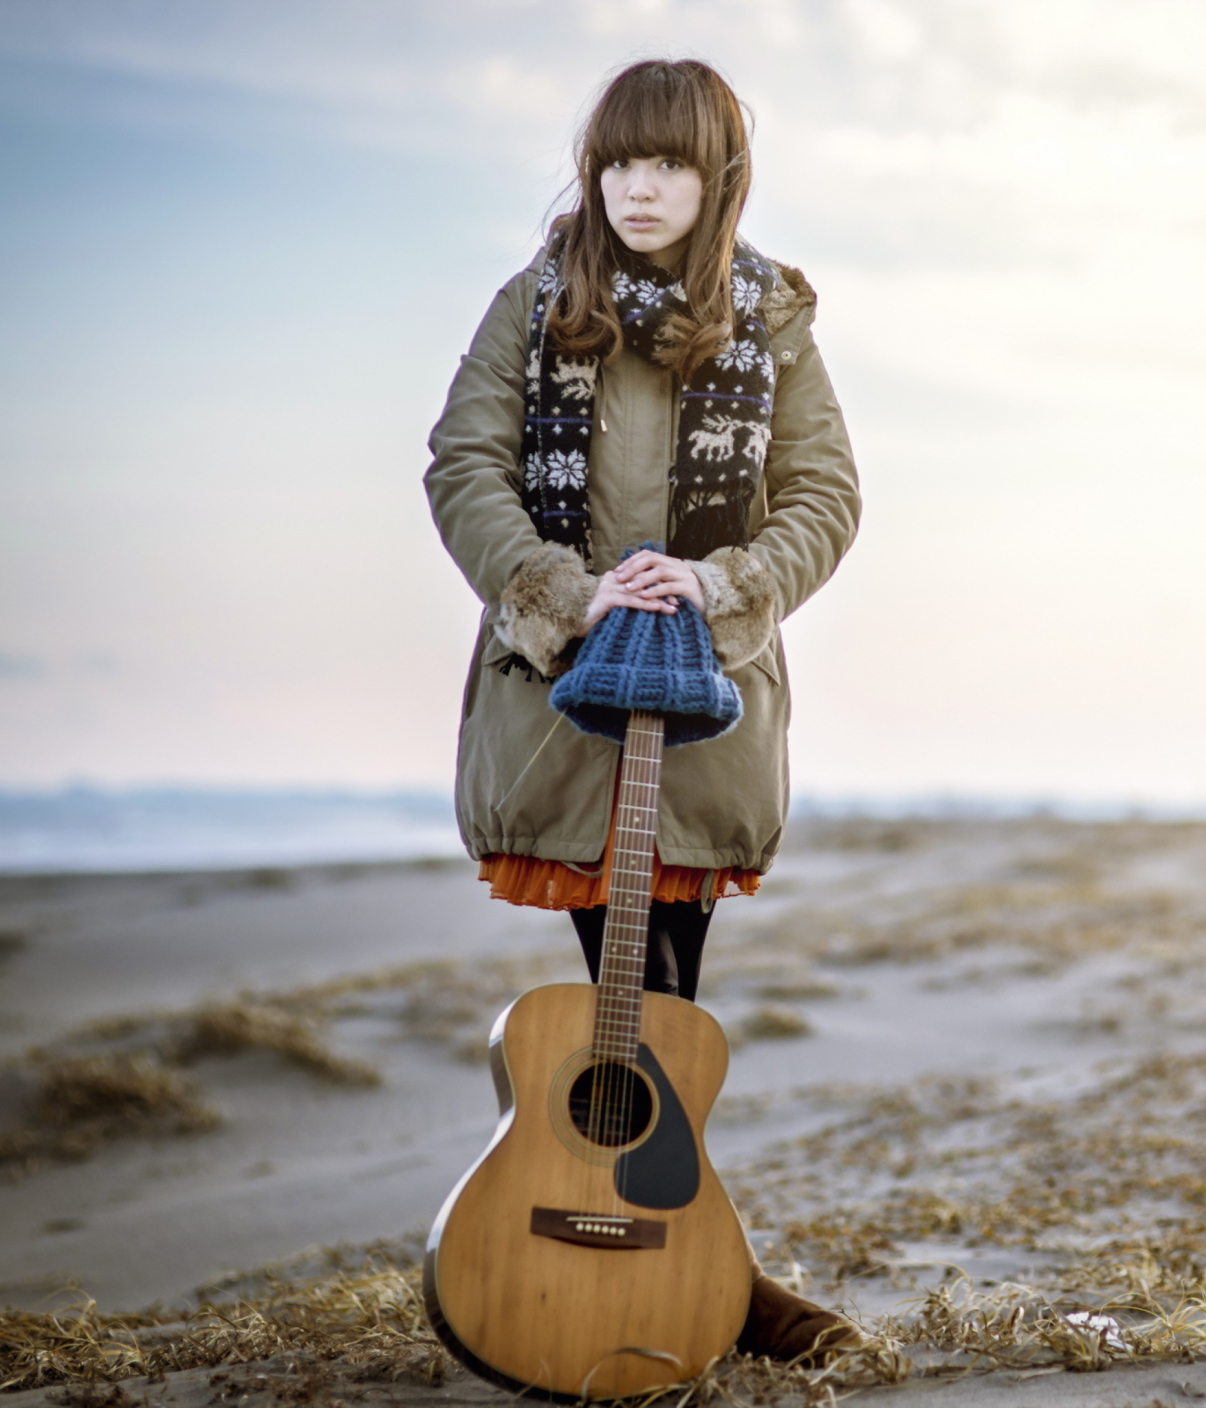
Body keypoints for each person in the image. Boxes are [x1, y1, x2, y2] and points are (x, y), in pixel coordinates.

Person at [423, 58, 860, 1362]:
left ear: (716, 175)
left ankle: (690, 1274)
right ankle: (713, 1280)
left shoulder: (771, 317)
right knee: (631, 998)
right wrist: (566, 589)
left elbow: (824, 496)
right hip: (559, 704)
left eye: (667, 162)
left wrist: (721, 583)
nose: (639, 186)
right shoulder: (535, 301)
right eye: (618, 162)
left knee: (664, 995)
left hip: (706, 711)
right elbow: (463, 462)